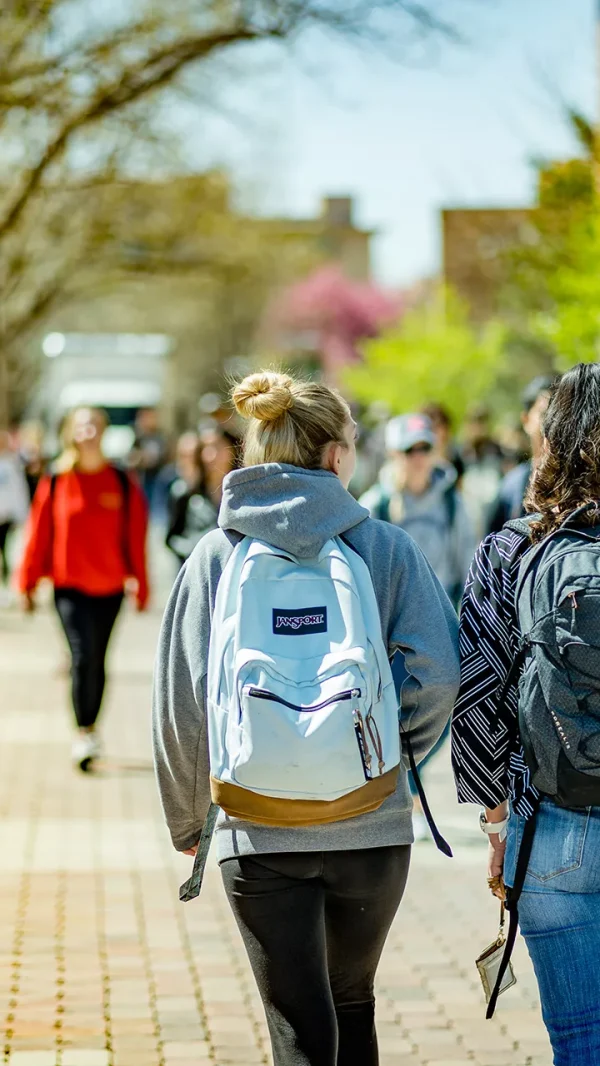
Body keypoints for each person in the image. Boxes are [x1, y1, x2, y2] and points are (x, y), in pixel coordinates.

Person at [153, 371, 460, 1066]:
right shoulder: (384, 548)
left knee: (297, 1022)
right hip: (370, 823)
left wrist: (186, 821)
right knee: (353, 1001)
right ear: (334, 458)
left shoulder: (214, 557)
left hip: (255, 830)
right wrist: (386, 755)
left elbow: (182, 700)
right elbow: (439, 673)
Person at [452, 363, 600, 1064]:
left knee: (580, 1038)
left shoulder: (511, 548)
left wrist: (495, 824)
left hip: (550, 821)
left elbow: (478, 698)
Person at [359, 412, 474, 840]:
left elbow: (468, 565)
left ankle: (405, 787)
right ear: (394, 454)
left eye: (425, 448)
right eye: (410, 450)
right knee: (386, 714)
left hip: (439, 625)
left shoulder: (452, 503)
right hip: (387, 634)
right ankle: (394, 795)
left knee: (439, 710)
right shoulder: (375, 505)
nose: (418, 458)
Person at [18, 407, 149, 772]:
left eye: (94, 425)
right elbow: (39, 534)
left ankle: (92, 726)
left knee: (98, 659)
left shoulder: (122, 481)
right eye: (81, 426)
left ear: (103, 432)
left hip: (109, 589)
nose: (88, 431)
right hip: (68, 588)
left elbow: (135, 537)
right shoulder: (56, 480)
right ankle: (83, 733)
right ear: (70, 434)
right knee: (81, 655)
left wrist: (142, 585)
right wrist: (26, 583)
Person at [487, 375, 554, 534]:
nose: (552, 423)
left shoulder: (580, 484)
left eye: (558, 414)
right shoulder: (511, 487)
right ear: (525, 420)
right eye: (544, 414)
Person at [165, 432, 218, 568]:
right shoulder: (181, 491)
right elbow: (171, 538)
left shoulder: (214, 488)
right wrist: (194, 550)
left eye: (193, 455)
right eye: (183, 456)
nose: (188, 461)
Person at [0, 430, 29, 599]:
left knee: (6, 554)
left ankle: (6, 587)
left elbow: (18, 491)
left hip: (6, 518)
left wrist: (21, 514)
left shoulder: (11, 465)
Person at [129, 407, 168, 516]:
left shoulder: (159, 436)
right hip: (143, 477)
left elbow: (165, 456)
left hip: (157, 477)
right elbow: (131, 457)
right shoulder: (138, 437)